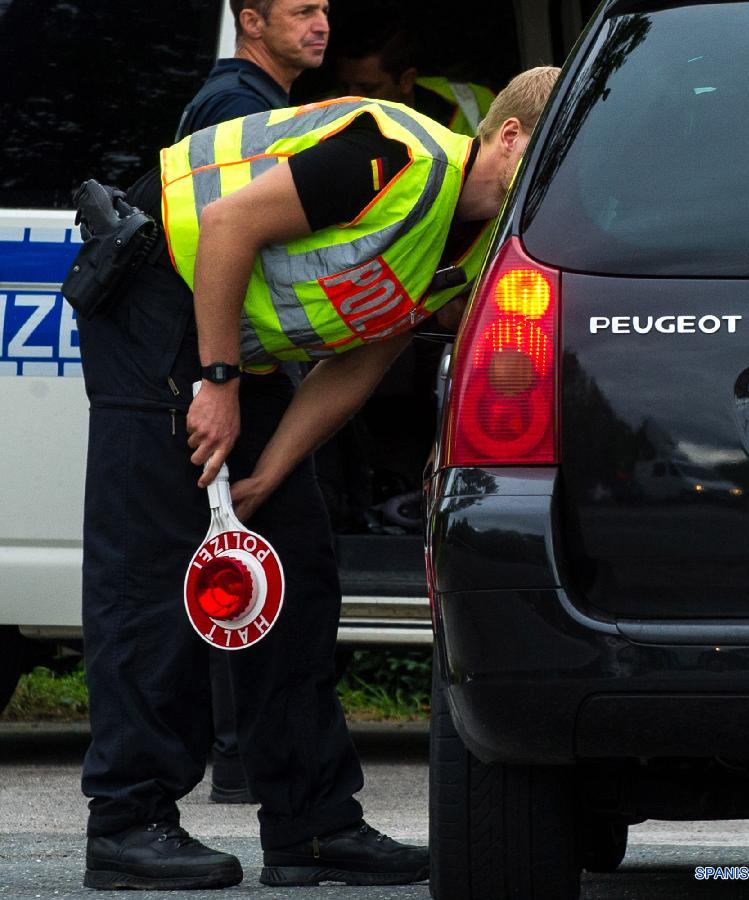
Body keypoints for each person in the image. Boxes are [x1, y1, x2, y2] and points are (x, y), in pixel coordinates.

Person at [76, 66, 560, 891]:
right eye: (549, 159)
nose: (557, 186)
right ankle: (127, 822)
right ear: (509, 136)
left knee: (293, 566)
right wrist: (220, 383)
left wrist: (272, 469)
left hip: (236, 339)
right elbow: (228, 225)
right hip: (157, 293)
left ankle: (313, 827)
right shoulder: (397, 156)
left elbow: (358, 363)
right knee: (154, 574)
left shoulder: (476, 242)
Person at [176, 0, 330, 808]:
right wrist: (224, 377)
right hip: (237, 374)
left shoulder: (262, 104)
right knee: (262, 572)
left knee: (258, 563)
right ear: (253, 19)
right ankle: (249, 759)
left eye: (326, 9)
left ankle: (250, 757)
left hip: (242, 368)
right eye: (302, 10)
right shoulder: (238, 106)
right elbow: (226, 235)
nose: (321, 23)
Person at [176, 0, 329, 140]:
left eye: (325, 11)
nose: (323, 27)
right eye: (304, 12)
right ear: (253, 23)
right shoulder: (241, 105)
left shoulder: (241, 94)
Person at [335, 21, 494, 137]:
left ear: (407, 80)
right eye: (343, 86)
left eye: (367, 88)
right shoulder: (322, 112)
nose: (351, 98)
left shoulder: (473, 100)